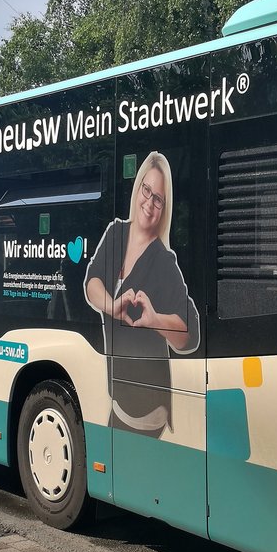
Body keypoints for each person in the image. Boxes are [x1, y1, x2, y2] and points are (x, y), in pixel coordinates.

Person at [84, 152, 199, 436]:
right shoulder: (116, 233)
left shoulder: (163, 261)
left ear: (164, 207)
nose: (149, 202)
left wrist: (155, 320)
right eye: (147, 190)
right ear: (138, 188)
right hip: (122, 401)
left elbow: (191, 334)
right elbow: (92, 280)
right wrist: (111, 306)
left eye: (158, 198)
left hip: (145, 408)